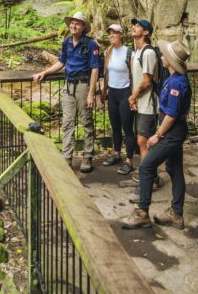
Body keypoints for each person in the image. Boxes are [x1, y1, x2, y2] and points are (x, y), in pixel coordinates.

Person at [121, 39, 192, 230]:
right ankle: (176, 214)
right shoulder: (170, 78)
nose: (161, 57)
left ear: (170, 60)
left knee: (146, 166)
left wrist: (157, 135)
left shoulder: (178, 82)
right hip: (172, 131)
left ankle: (142, 212)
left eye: (164, 56)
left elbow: (172, 115)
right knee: (174, 169)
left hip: (172, 133)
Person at [32, 11, 101, 173]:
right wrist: (45, 72)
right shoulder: (67, 42)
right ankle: (67, 157)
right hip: (68, 86)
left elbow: (95, 69)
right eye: (72, 23)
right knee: (67, 122)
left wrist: (91, 93)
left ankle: (87, 157)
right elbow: (61, 62)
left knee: (86, 122)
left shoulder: (91, 44)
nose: (73, 25)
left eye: (77, 23)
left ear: (83, 27)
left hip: (83, 86)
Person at [127, 18, 161, 198]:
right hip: (140, 103)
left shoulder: (148, 53)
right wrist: (133, 99)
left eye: (138, 26)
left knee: (143, 141)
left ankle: (150, 178)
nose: (134, 27)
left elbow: (147, 82)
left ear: (146, 32)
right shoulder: (137, 52)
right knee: (142, 141)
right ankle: (148, 174)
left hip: (149, 105)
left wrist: (133, 97)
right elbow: (137, 79)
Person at [101, 24, 136, 174]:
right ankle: (116, 154)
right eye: (110, 33)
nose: (112, 35)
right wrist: (103, 92)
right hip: (112, 93)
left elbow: (134, 75)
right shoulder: (107, 52)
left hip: (125, 93)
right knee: (115, 127)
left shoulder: (129, 53)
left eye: (115, 33)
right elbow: (105, 73)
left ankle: (129, 161)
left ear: (121, 35)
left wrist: (133, 97)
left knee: (127, 128)